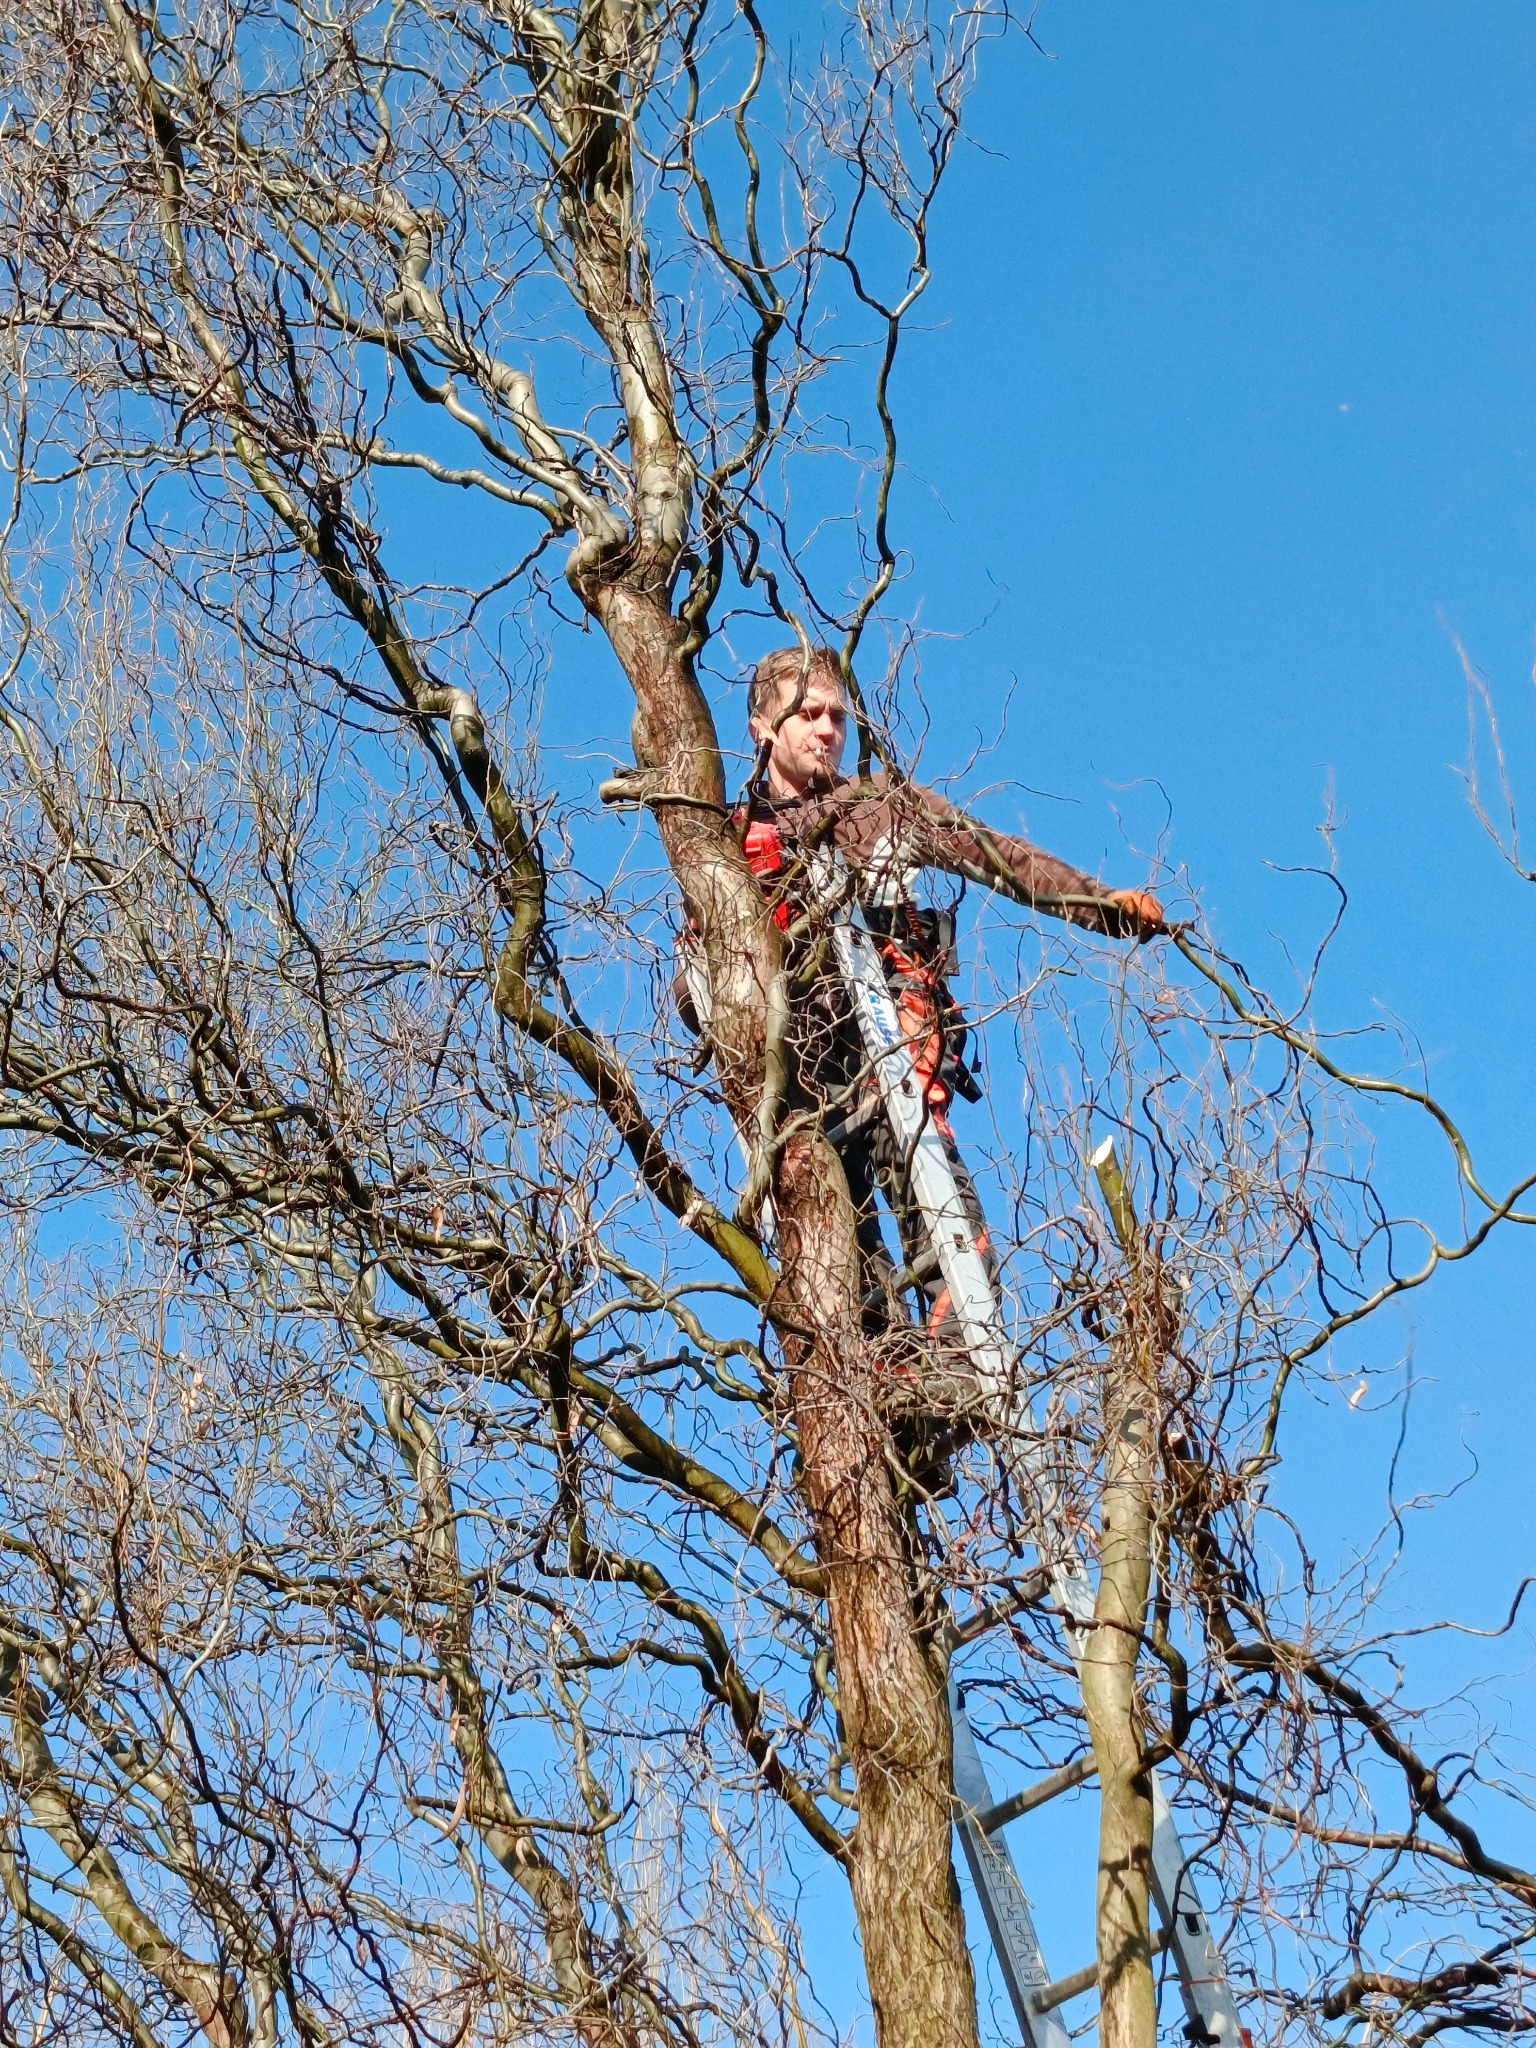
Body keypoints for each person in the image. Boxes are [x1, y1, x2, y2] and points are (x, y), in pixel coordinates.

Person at [688, 645, 1165, 1457]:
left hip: (890, 1058)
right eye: (809, 714)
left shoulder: (880, 810)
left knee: (943, 1223)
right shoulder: (731, 848)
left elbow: (994, 854)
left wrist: (1099, 905)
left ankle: (951, 1382)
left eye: (838, 715)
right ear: (763, 726)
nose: (829, 729)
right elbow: (696, 978)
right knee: (845, 1265)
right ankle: (895, 1421)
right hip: (798, 1083)